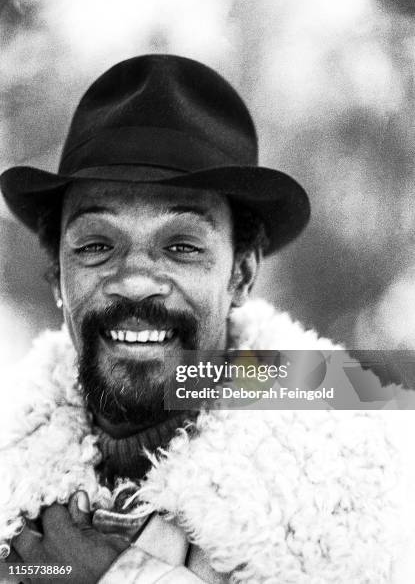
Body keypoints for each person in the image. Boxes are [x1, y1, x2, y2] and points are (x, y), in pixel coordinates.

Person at [0, 55, 405, 583]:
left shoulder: (360, 484)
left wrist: (125, 576)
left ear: (240, 274)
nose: (136, 280)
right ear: (57, 274)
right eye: (97, 245)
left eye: (182, 247)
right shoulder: (12, 473)